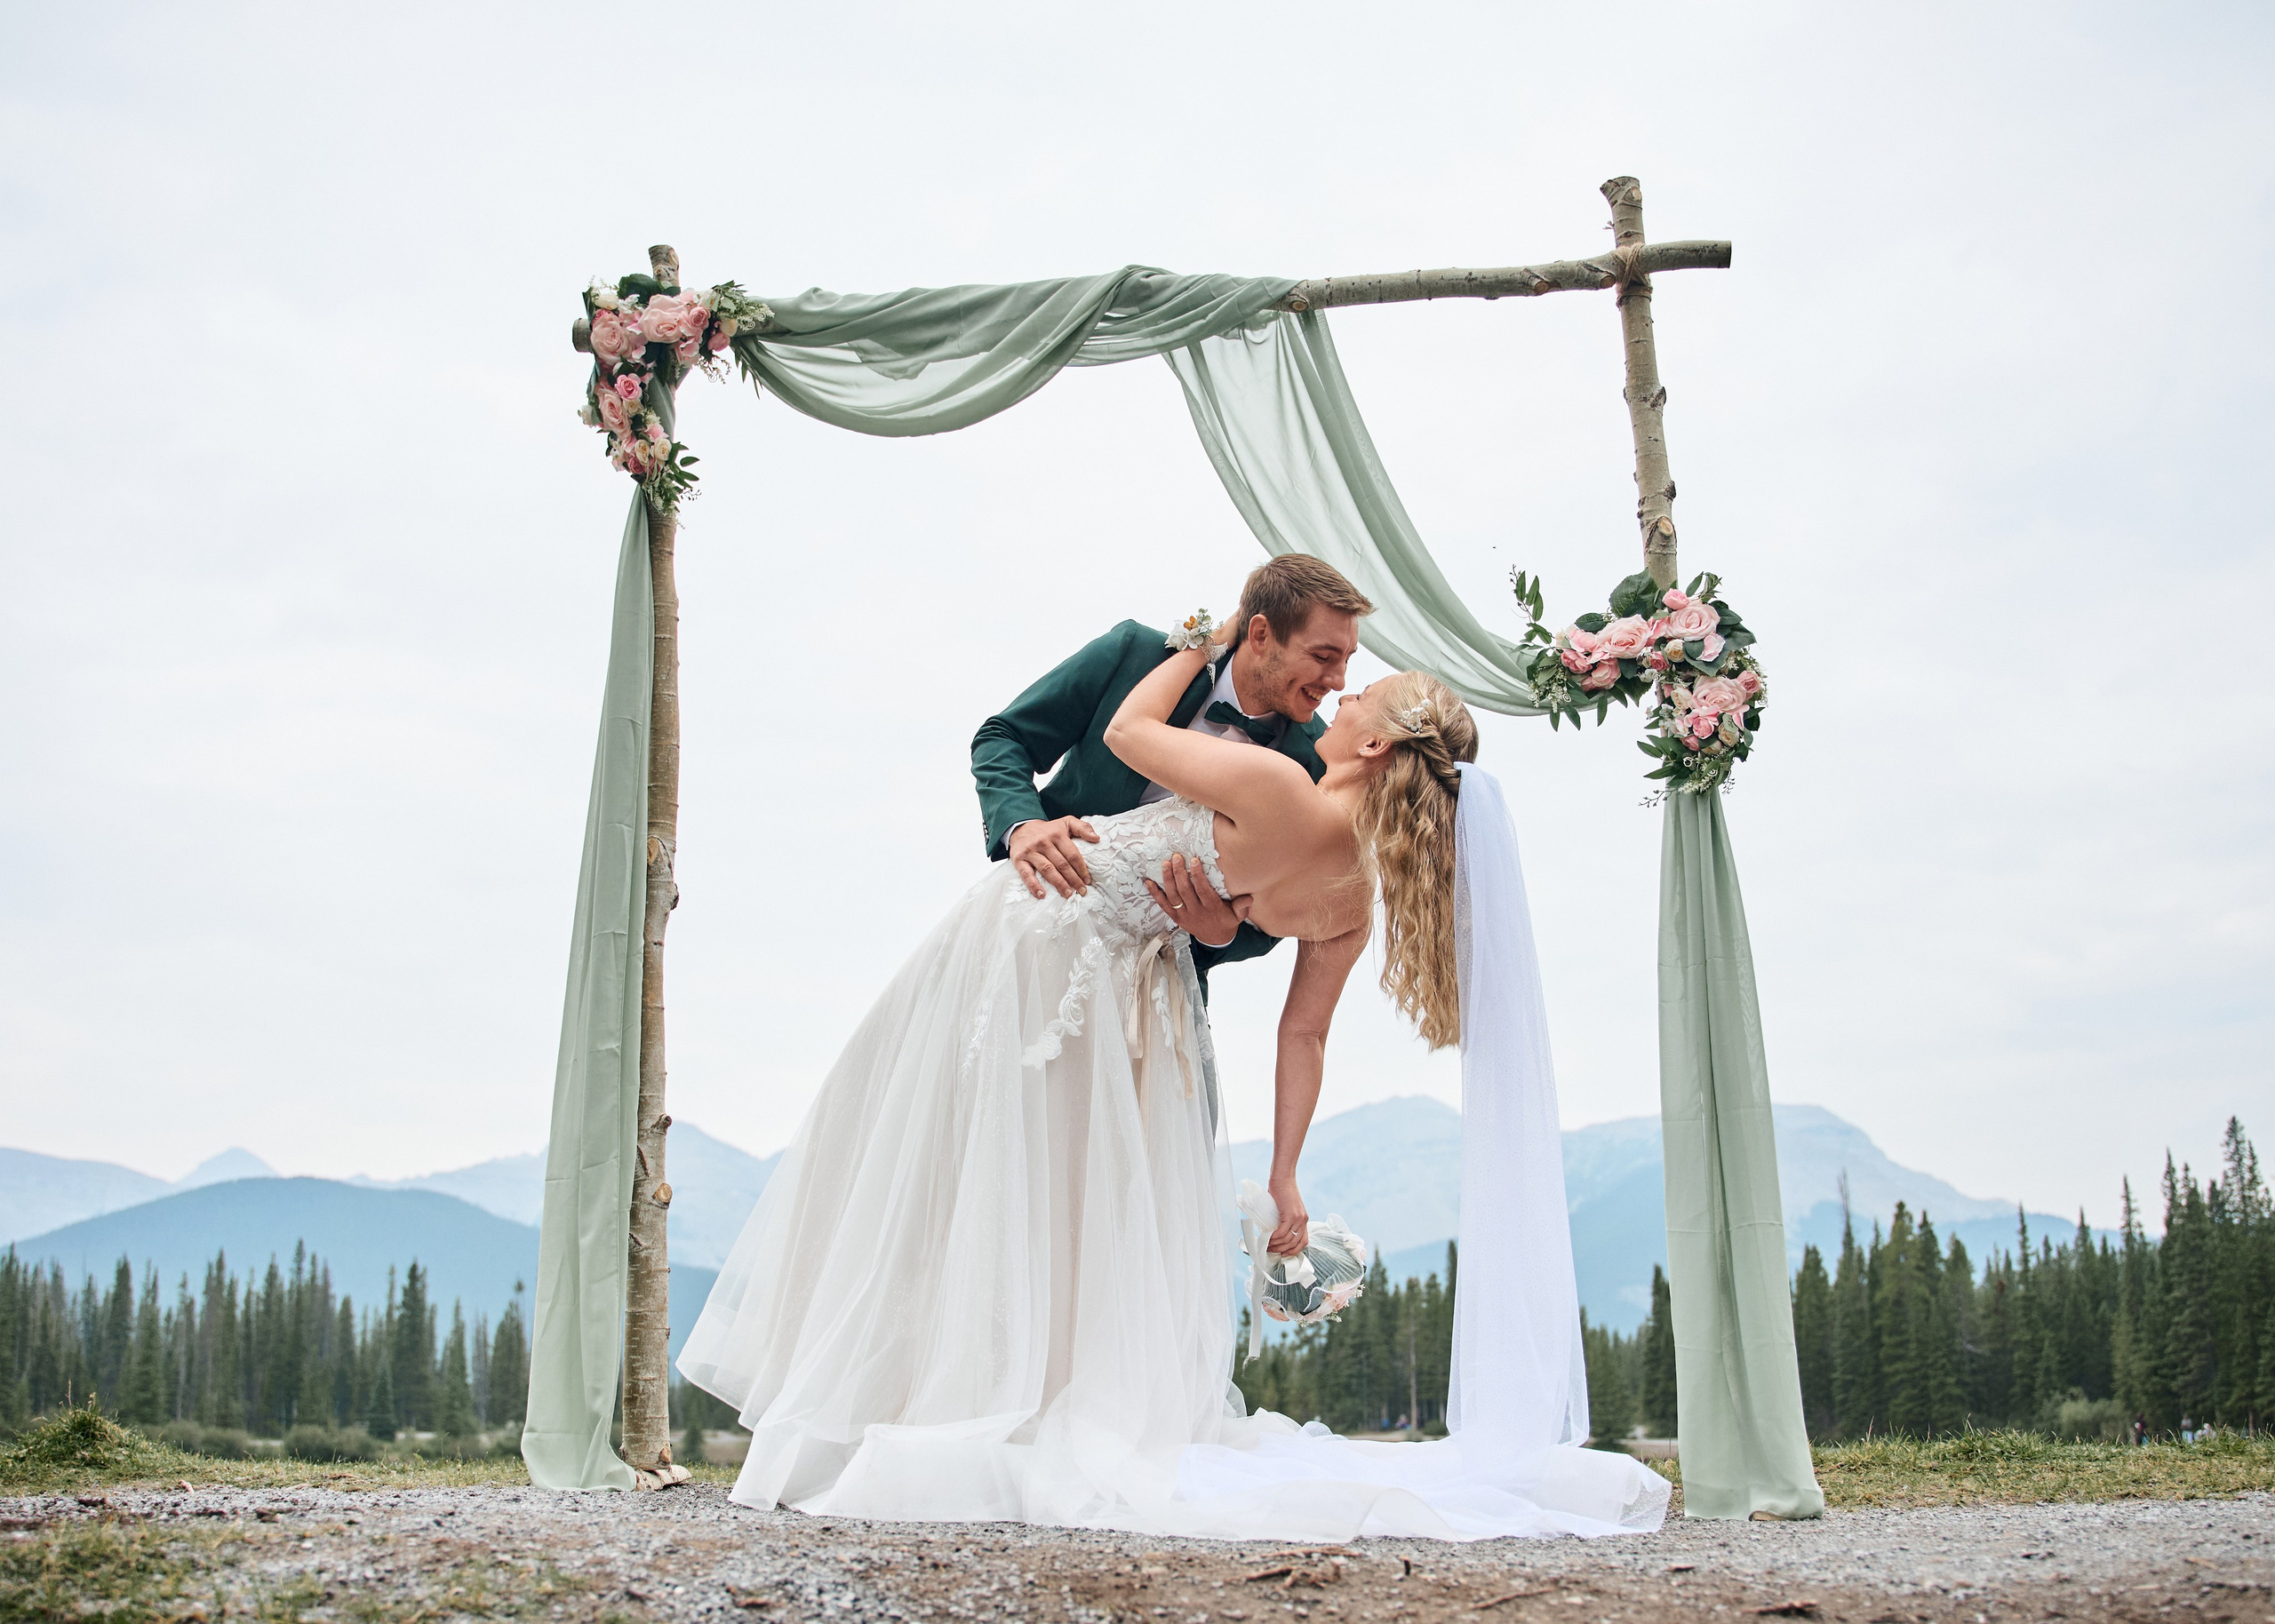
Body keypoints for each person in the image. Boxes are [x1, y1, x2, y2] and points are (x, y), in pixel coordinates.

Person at [677, 589, 1669, 1540]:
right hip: (1126, 987)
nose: (1346, 688)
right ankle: (1008, 1397)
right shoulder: (1356, 896)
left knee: (971, 1172)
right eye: (1335, 662)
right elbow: (1303, 1036)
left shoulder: (1278, 782)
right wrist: (1283, 1174)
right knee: (1058, 1197)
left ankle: (952, 1399)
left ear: (1375, 745)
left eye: (1364, 689)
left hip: (1045, 949)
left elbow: (1128, 735)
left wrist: (1198, 640)